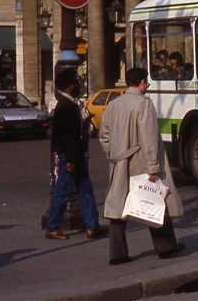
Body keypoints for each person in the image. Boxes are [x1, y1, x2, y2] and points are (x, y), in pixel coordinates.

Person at [99, 67, 185, 265]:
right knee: (154, 201)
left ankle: (117, 253)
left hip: (119, 162)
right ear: (142, 83)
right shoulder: (144, 104)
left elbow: (103, 135)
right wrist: (153, 166)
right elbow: (149, 138)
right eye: (147, 83)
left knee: (117, 207)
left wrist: (113, 153)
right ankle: (165, 246)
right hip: (139, 162)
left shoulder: (113, 104)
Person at [45, 68, 103, 240]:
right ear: (69, 86)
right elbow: (68, 135)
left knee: (85, 188)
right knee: (63, 190)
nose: (79, 85)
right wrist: (71, 159)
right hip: (70, 155)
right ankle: (52, 227)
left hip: (75, 153)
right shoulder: (65, 106)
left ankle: (92, 225)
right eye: (76, 82)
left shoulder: (70, 104)